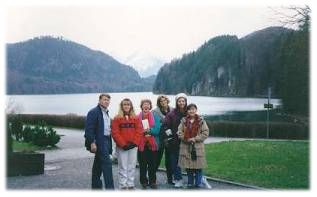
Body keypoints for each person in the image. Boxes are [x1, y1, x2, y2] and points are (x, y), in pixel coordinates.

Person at [84, 93, 114, 189]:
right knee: (107, 165)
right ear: (99, 100)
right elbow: (89, 129)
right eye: (104, 99)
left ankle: (96, 187)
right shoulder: (93, 112)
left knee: (98, 166)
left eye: (108, 100)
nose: (106, 101)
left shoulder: (106, 112)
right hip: (99, 142)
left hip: (106, 141)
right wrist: (92, 142)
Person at [111, 98, 142, 189]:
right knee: (123, 166)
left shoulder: (135, 118)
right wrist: (123, 144)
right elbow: (115, 133)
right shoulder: (117, 118)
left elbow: (139, 131)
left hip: (133, 146)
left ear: (131, 106)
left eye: (128, 104)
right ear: (121, 106)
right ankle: (123, 185)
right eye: (124, 104)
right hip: (122, 147)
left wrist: (134, 143)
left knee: (132, 165)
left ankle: (130, 183)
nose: (126, 106)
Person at [177, 103, 209, 188]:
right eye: (190, 109)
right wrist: (186, 138)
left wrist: (195, 139)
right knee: (189, 167)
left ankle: (198, 183)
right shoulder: (183, 121)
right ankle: (190, 183)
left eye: (193, 109)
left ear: (196, 110)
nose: (192, 111)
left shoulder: (201, 121)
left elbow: (205, 133)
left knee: (198, 167)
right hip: (186, 147)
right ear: (187, 111)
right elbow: (179, 132)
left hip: (197, 147)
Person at [161, 93, 187, 188]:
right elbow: (165, 126)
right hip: (174, 142)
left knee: (189, 160)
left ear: (185, 102)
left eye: (183, 101)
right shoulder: (171, 114)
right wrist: (170, 137)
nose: (181, 103)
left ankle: (194, 179)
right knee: (175, 161)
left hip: (186, 141)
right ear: (177, 102)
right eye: (179, 101)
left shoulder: (189, 112)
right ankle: (178, 179)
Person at [137, 99, 160, 189]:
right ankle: (143, 182)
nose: (146, 106)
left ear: (150, 106)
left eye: (148, 104)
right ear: (141, 106)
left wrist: (149, 130)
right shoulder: (137, 117)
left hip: (152, 144)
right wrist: (142, 131)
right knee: (142, 165)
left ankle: (152, 182)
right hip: (141, 144)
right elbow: (136, 131)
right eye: (144, 104)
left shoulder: (155, 116)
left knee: (152, 164)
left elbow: (157, 130)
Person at [152, 95, 174, 184]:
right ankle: (152, 179)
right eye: (161, 101)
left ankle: (170, 179)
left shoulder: (173, 110)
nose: (163, 102)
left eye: (164, 100)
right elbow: (153, 124)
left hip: (170, 138)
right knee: (157, 159)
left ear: (167, 101)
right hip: (159, 138)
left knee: (169, 160)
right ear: (159, 103)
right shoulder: (154, 112)